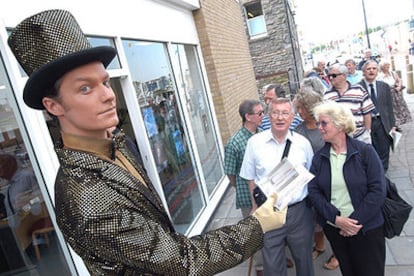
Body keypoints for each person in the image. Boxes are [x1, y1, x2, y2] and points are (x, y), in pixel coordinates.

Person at [7, 9, 288, 275]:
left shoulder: (118, 142)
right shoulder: (83, 196)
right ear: (53, 106)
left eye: (105, 82)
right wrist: (258, 225)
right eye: (85, 88)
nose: (107, 95)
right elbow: (182, 261)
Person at [308, 100, 386, 276]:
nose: (319, 127)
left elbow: (378, 190)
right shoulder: (319, 158)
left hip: (366, 229)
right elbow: (313, 191)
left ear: (340, 124)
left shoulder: (365, 152)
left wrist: (353, 222)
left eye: (324, 123)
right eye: (318, 122)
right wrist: (336, 219)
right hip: (335, 230)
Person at [240, 98, 314, 276]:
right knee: (272, 266)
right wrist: (255, 207)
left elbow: (311, 177)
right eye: (275, 113)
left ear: (292, 117)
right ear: (268, 116)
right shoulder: (254, 143)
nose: (280, 118)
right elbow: (251, 178)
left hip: (299, 213)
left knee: (305, 263)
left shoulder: (303, 144)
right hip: (268, 213)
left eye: (285, 113)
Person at [224, 99, 264, 275]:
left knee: (271, 229)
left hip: (267, 193)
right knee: (256, 234)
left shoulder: (262, 134)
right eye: (260, 113)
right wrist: (239, 187)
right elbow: (230, 173)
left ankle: (275, 256)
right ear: (248, 116)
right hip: (248, 197)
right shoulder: (235, 143)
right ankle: (261, 267)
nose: (263, 116)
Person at [359, 60, 396, 172]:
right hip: (366, 122)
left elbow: (389, 107)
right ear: (363, 72)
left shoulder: (384, 86)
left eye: (374, 68)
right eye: (368, 69)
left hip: (382, 122)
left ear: (378, 71)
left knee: (384, 148)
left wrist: (393, 125)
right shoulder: (357, 88)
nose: (371, 71)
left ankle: (383, 173)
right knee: (370, 149)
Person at [323, 63, 374, 144]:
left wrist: (367, 132)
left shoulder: (358, 90)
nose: (331, 78)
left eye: (333, 75)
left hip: (360, 137)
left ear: (344, 76)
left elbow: (367, 113)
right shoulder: (327, 96)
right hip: (338, 140)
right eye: (329, 76)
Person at [378, 60, 412, 126]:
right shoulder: (379, 76)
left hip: (395, 94)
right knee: (390, 110)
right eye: (386, 66)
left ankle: (397, 124)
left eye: (388, 65)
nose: (388, 67)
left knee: (399, 110)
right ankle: (393, 124)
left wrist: (399, 86)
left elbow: (399, 80)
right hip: (386, 95)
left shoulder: (393, 73)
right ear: (382, 67)